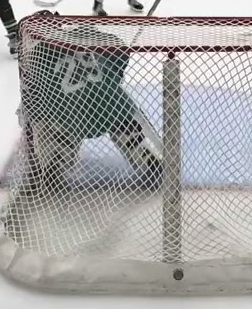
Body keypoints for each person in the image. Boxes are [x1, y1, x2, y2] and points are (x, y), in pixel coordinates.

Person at [18, 10, 162, 189]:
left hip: (70, 111)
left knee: (59, 127)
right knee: (124, 126)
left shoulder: (35, 54)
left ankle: (57, 161)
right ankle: (143, 155)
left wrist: (32, 117)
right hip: (111, 102)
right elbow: (120, 55)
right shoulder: (85, 32)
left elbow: (33, 97)